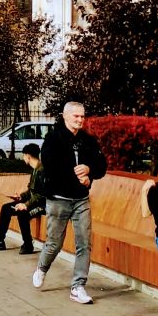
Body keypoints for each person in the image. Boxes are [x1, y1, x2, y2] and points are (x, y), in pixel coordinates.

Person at [32, 101, 107, 305]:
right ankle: (42, 268)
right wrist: (77, 177)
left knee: (84, 243)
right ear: (65, 116)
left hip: (81, 200)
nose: (80, 120)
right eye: (76, 116)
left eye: (82, 116)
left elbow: (102, 164)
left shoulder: (88, 140)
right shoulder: (53, 138)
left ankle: (78, 286)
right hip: (58, 199)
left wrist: (89, 171)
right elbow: (51, 166)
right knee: (54, 243)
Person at [0, 143, 45, 254]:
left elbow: (40, 196)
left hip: (42, 205)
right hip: (34, 201)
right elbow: (31, 191)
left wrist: (25, 205)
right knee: (6, 208)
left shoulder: (41, 171)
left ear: (28, 156)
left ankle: (28, 244)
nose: (23, 158)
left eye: (23, 155)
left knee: (22, 213)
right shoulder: (35, 169)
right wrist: (21, 196)